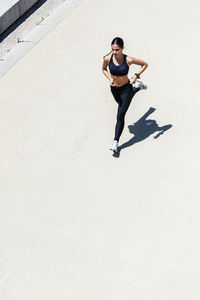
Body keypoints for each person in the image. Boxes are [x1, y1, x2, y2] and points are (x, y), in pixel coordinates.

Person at [102, 37, 148, 153]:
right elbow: (103, 69)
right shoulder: (108, 58)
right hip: (114, 89)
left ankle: (115, 142)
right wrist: (109, 79)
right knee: (122, 104)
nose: (114, 52)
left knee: (120, 115)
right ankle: (137, 87)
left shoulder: (128, 59)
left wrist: (136, 75)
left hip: (126, 89)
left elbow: (144, 64)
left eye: (117, 50)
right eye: (112, 49)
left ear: (122, 48)